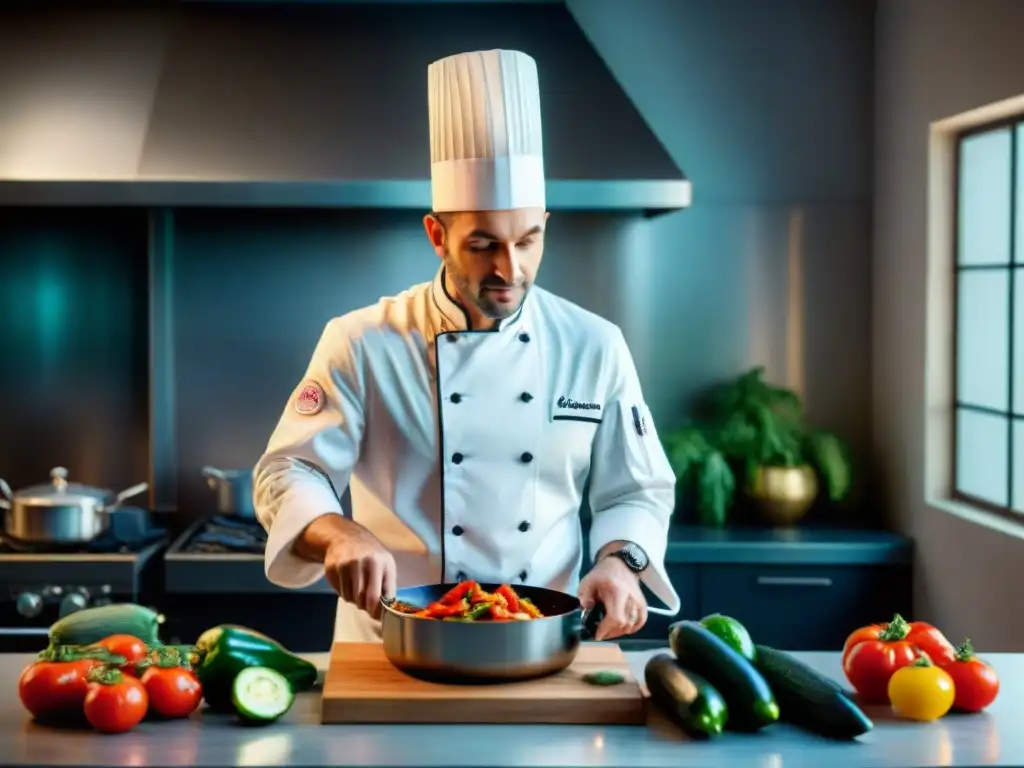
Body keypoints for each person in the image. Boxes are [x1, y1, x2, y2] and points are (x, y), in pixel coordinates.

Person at [253, 49, 680, 643]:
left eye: (529, 241)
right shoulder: (363, 341)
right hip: (390, 647)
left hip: (542, 643)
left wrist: (620, 561)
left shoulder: (594, 345)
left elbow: (638, 488)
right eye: (483, 244)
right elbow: (287, 469)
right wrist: (336, 530)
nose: (511, 268)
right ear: (437, 235)